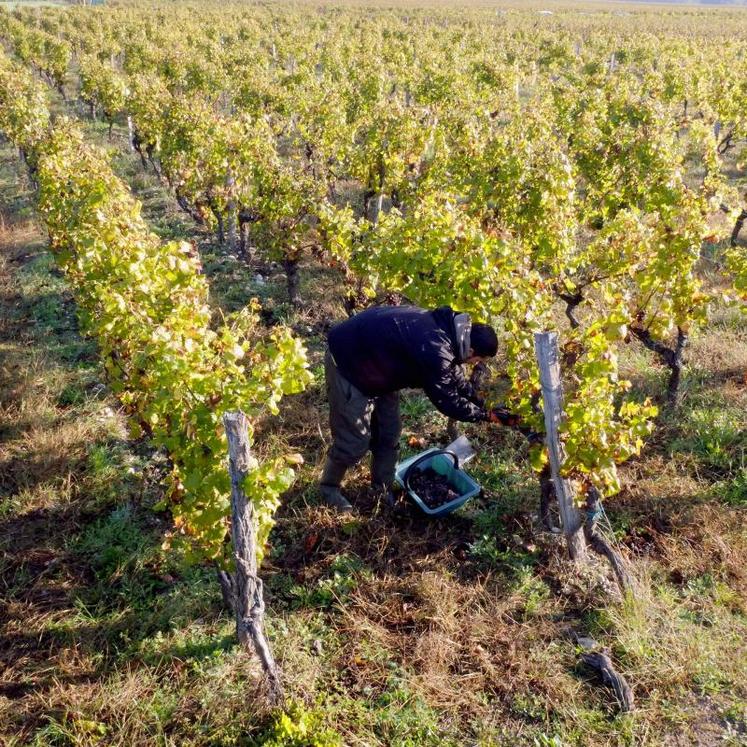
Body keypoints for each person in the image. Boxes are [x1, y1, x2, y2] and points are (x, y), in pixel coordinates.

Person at [319, 304, 519, 512]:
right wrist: (485, 416)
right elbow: (447, 400)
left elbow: (456, 377)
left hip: (379, 368)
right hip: (348, 363)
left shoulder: (451, 333)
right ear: (471, 350)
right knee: (354, 442)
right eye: (478, 359)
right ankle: (328, 488)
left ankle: (381, 488)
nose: (475, 363)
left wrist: (482, 403)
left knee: (389, 432)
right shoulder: (435, 348)